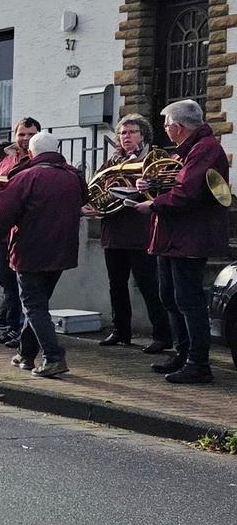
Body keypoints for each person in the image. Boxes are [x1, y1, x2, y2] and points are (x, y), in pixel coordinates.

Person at [140, 99, 233, 384]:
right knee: (170, 296)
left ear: (178, 127)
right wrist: (152, 186)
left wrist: (153, 204)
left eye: (167, 125)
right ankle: (182, 354)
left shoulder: (204, 149)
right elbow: (177, 183)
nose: (166, 130)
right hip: (175, 236)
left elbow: (187, 193)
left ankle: (198, 362)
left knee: (188, 300)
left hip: (189, 236)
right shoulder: (190, 149)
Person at [0, 132, 85, 377]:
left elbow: (1, 215)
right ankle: (26, 354)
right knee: (38, 305)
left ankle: (53, 357)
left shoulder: (25, 177)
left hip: (30, 251)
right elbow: (82, 202)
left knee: (34, 306)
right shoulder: (74, 177)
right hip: (62, 251)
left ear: (31, 153)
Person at [85, 114, 174, 353]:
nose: (127, 137)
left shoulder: (154, 160)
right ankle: (120, 331)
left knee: (148, 285)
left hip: (141, 232)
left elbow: (167, 188)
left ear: (143, 135)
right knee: (117, 285)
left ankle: (162, 335)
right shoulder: (111, 162)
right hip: (114, 231)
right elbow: (97, 189)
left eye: (132, 132)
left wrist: (149, 186)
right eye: (123, 133)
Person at [0, 118, 39, 346]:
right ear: (15, 135)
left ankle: (25, 332)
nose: (25, 139)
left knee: (26, 289)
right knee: (8, 286)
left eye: (30, 134)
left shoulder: (37, 161)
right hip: (3, 233)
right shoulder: (6, 161)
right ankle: (12, 327)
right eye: (21, 134)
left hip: (25, 234)